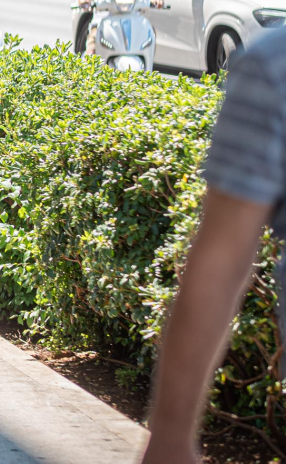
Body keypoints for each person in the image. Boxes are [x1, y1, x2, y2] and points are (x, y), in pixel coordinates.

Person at [139, 29, 286, 464]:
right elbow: (219, 269)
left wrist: (169, 437)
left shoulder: (273, 68)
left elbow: (219, 267)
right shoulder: (272, 70)